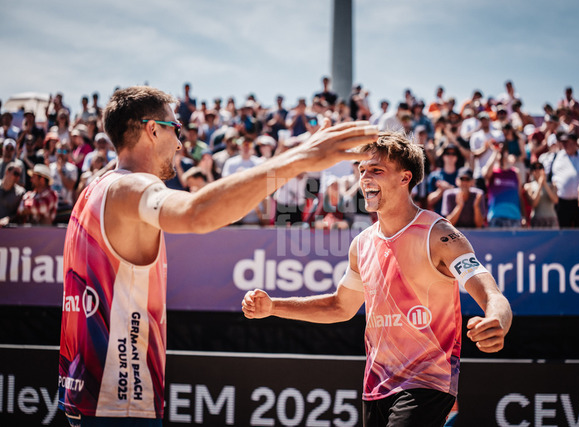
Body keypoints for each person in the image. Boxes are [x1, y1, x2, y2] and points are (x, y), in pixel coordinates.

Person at [57, 86, 378, 426]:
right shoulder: (129, 188)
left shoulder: (94, 189)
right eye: (175, 128)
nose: (179, 144)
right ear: (152, 129)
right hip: (118, 403)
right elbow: (196, 213)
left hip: (87, 397)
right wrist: (301, 157)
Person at [242, 131, 512, 427]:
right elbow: (339, 307)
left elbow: (492, 295)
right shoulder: (361, 244)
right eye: (362, 170)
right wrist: (273, 307)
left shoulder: (440, 234)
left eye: (376, 170)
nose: (365, 178)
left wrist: (497, 321)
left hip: (427, 383)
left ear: (405, 178)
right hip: (376, 387)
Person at [551, 133, 579, 228]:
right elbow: (554, 177)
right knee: (564, 232)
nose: (565, 145)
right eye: (564, 143)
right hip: (563, 203)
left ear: (575, 143)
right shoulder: (558, 157)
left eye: (567, 142)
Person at [482, 138, 523, 228]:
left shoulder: (515, 172)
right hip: (495, 217)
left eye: (504, 150)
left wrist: (524, 216)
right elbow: (485, 174)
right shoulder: (493, 172)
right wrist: (495, 152)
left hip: (514, 217)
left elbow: (520, 195)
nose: (502, 153)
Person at [524, 161, 559, 228]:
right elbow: (534, 203)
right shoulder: (528, 186)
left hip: (551, 219)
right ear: (532, 172)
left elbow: (555, 200)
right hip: (537, 219)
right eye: (535, 168)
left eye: (540, 167)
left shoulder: (552, 185)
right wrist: (540, 185)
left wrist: (545, 184)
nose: (538, 170)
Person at [0, 161, 26, 227]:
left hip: (7, 228)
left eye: (19, 175)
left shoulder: (20, 193)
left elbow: (19, 214)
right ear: (7, 172)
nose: (18, 177)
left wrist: (9, 219)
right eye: (16, 174)